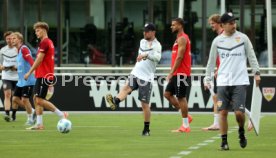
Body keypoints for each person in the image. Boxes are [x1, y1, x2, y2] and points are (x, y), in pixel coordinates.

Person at [204, 12, 261, 150]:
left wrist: (257, 72)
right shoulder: (217, 41)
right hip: (223, 82)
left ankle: (241, 132)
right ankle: (224, 142)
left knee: (239, 114)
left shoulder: (243, 38)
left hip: (240, 81)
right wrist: (207, 77)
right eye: (230, 23)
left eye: (234, 22)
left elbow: (252, 56)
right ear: (223, 25)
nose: (233, 25)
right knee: (222, 112)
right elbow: (211, 62)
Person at [106, 23, 162, 136]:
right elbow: (141, 56)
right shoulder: (142, 41)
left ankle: (146, 129)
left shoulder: (157, 45)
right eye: (144, 31)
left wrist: (146, 55)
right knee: (126, 88)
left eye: (147, 31)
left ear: (153, 32)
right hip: (136, 73)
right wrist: (143, 56)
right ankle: (114, 102)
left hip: (146, 78)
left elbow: (157, 58)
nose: (145, 33)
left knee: (144, 105)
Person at [24, 21, 68, 130]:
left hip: (45, 76)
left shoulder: (45, 43)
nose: (36, 33)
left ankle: (61, 114)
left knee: (39, 100)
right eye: (35, 31)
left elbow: (39, 59)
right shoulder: (48, 42)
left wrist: (30, 72)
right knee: (36, 98)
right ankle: (39, 124)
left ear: (44, 30)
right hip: (42, 75)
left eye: (38, 30)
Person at [164, 18, 192, 133]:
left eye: (174, 25)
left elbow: (180, 57)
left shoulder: (182, 39)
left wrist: (171, 72)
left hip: (182, 73)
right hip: (177, 73)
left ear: (180, 25)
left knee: (181, 97)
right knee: (167, 94)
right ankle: (186, 117)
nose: (171, 27)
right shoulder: (178, 39)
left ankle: (185, 126)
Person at [202, 14, 223, 131]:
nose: (211, 26)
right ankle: (216, 123)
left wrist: (219, 69)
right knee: (216, 98)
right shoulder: (220, 37)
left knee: (221, 98)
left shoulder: (223, 37)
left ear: (219, 23)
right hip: (221, 72)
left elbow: (226, 57)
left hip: (225, 73)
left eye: (212, 24)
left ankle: (250, 116)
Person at [11, 32, 36, 125]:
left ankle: (30, 119)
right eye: (11, 38)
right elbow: (23, 64)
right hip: (21, 81)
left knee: (25, 100)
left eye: (14, 38)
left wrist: (31, 72)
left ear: (20, 40)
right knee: (15, 99)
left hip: (28, 80)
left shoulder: (24, 49)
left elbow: (31, 61)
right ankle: (33, 112)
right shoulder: (17, 51)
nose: (12, 40)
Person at [0, 31, 18, 122]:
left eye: (11, 38)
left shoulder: (17, 49)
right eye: (7, 39)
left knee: (15, 97)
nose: (9, 40)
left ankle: (14, 114)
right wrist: (2, 67)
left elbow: (21, 63)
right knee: (7, 94)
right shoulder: (2, 50)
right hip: (6, 76)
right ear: (5, 40)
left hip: (17, 77)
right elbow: (0, 63)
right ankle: (7, 114)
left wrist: (16, 68)